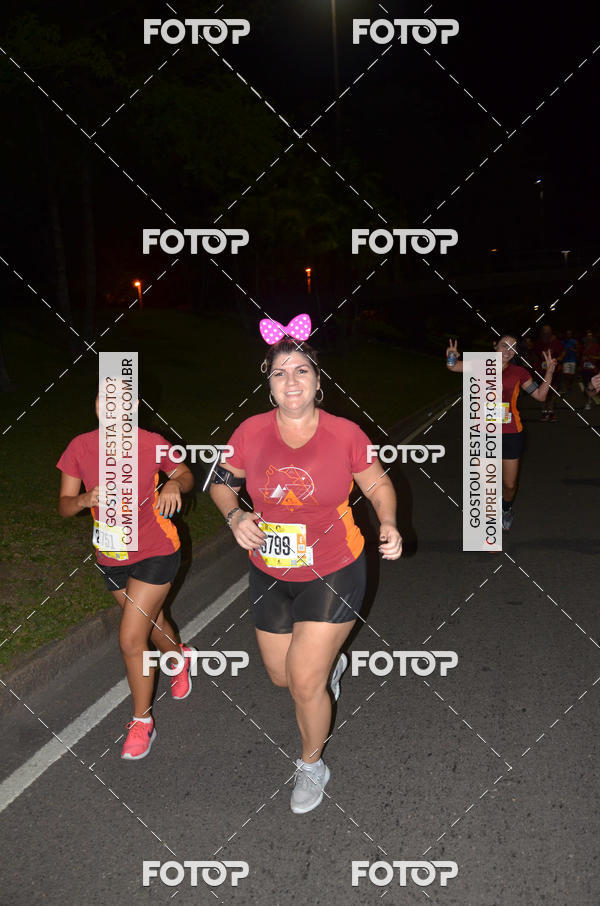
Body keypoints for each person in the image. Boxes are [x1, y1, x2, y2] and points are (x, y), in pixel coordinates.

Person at [209, 314, 402, 814]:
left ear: (318, 380)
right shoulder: (250, 432)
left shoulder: (345, 433)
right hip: (270, 569)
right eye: (280, 373)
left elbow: (378, 483)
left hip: (334, 567)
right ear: (269, 384)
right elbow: (220, 481)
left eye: (301, 371)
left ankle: (312, 764)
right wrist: (234, 517)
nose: (291, 381)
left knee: (305, 682)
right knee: (280, 677)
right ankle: (328, 666)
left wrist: (389, 522)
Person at [57, 394, 194, 760]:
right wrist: (85, 500)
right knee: (152, 623)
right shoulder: (79, 447)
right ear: (97, 406)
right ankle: (179, 658)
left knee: (131, 637)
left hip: (156, 551)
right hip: (112, 556)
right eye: (105, 400)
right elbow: (65, 505)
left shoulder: (150, 442)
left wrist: (172, 485)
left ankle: (141, 721)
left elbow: (184, 472)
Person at [446, 335, 556, 530]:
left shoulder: (519, 372)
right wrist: (452, 357)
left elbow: (540, 396)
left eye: (513, 347)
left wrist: (549, 373)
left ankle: (505, 509)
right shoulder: (480, 365)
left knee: (510, 485)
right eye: (504, 345)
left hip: (511, 433)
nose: (508, 350)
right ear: (494, 345)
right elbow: (453, 367)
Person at [532, 324, 564, 421]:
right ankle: (544, 410)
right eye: (544, 333)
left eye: (548, 333)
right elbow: (533, 354)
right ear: (541, 333)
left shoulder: (556, 342)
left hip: (554, 370)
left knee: (554, 389)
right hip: (542, 371)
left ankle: (551, 409)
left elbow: (563, 352)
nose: (546, 335)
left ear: (551, 333)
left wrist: (559, 359)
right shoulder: (538, 343)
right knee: (542, 389)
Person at [579, 330, 600, 410]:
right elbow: (579, 357)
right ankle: (587, 402)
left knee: (592, 386)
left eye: (590, 336)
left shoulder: (596, 346)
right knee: (586, 386)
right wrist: (580, 363)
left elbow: (599, 357)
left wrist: (591, 357)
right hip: (585, 369)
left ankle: (589, 399)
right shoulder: (582, 347)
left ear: (592, 338)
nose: (589, 337)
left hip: (593, 369)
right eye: (588, 336)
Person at [560, 329, 579, 394]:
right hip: (565, 360)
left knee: (571, 375)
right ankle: (567, 386)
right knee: (566, 375)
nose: (568, 335)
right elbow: (560, 350)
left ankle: (569, 384)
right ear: (565, 335)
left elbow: (578, 351)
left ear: (571, 335)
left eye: (569, 333)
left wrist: (573, 350)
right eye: (567, 334)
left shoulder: (574, 341)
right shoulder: (562, 342)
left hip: (572, 360)